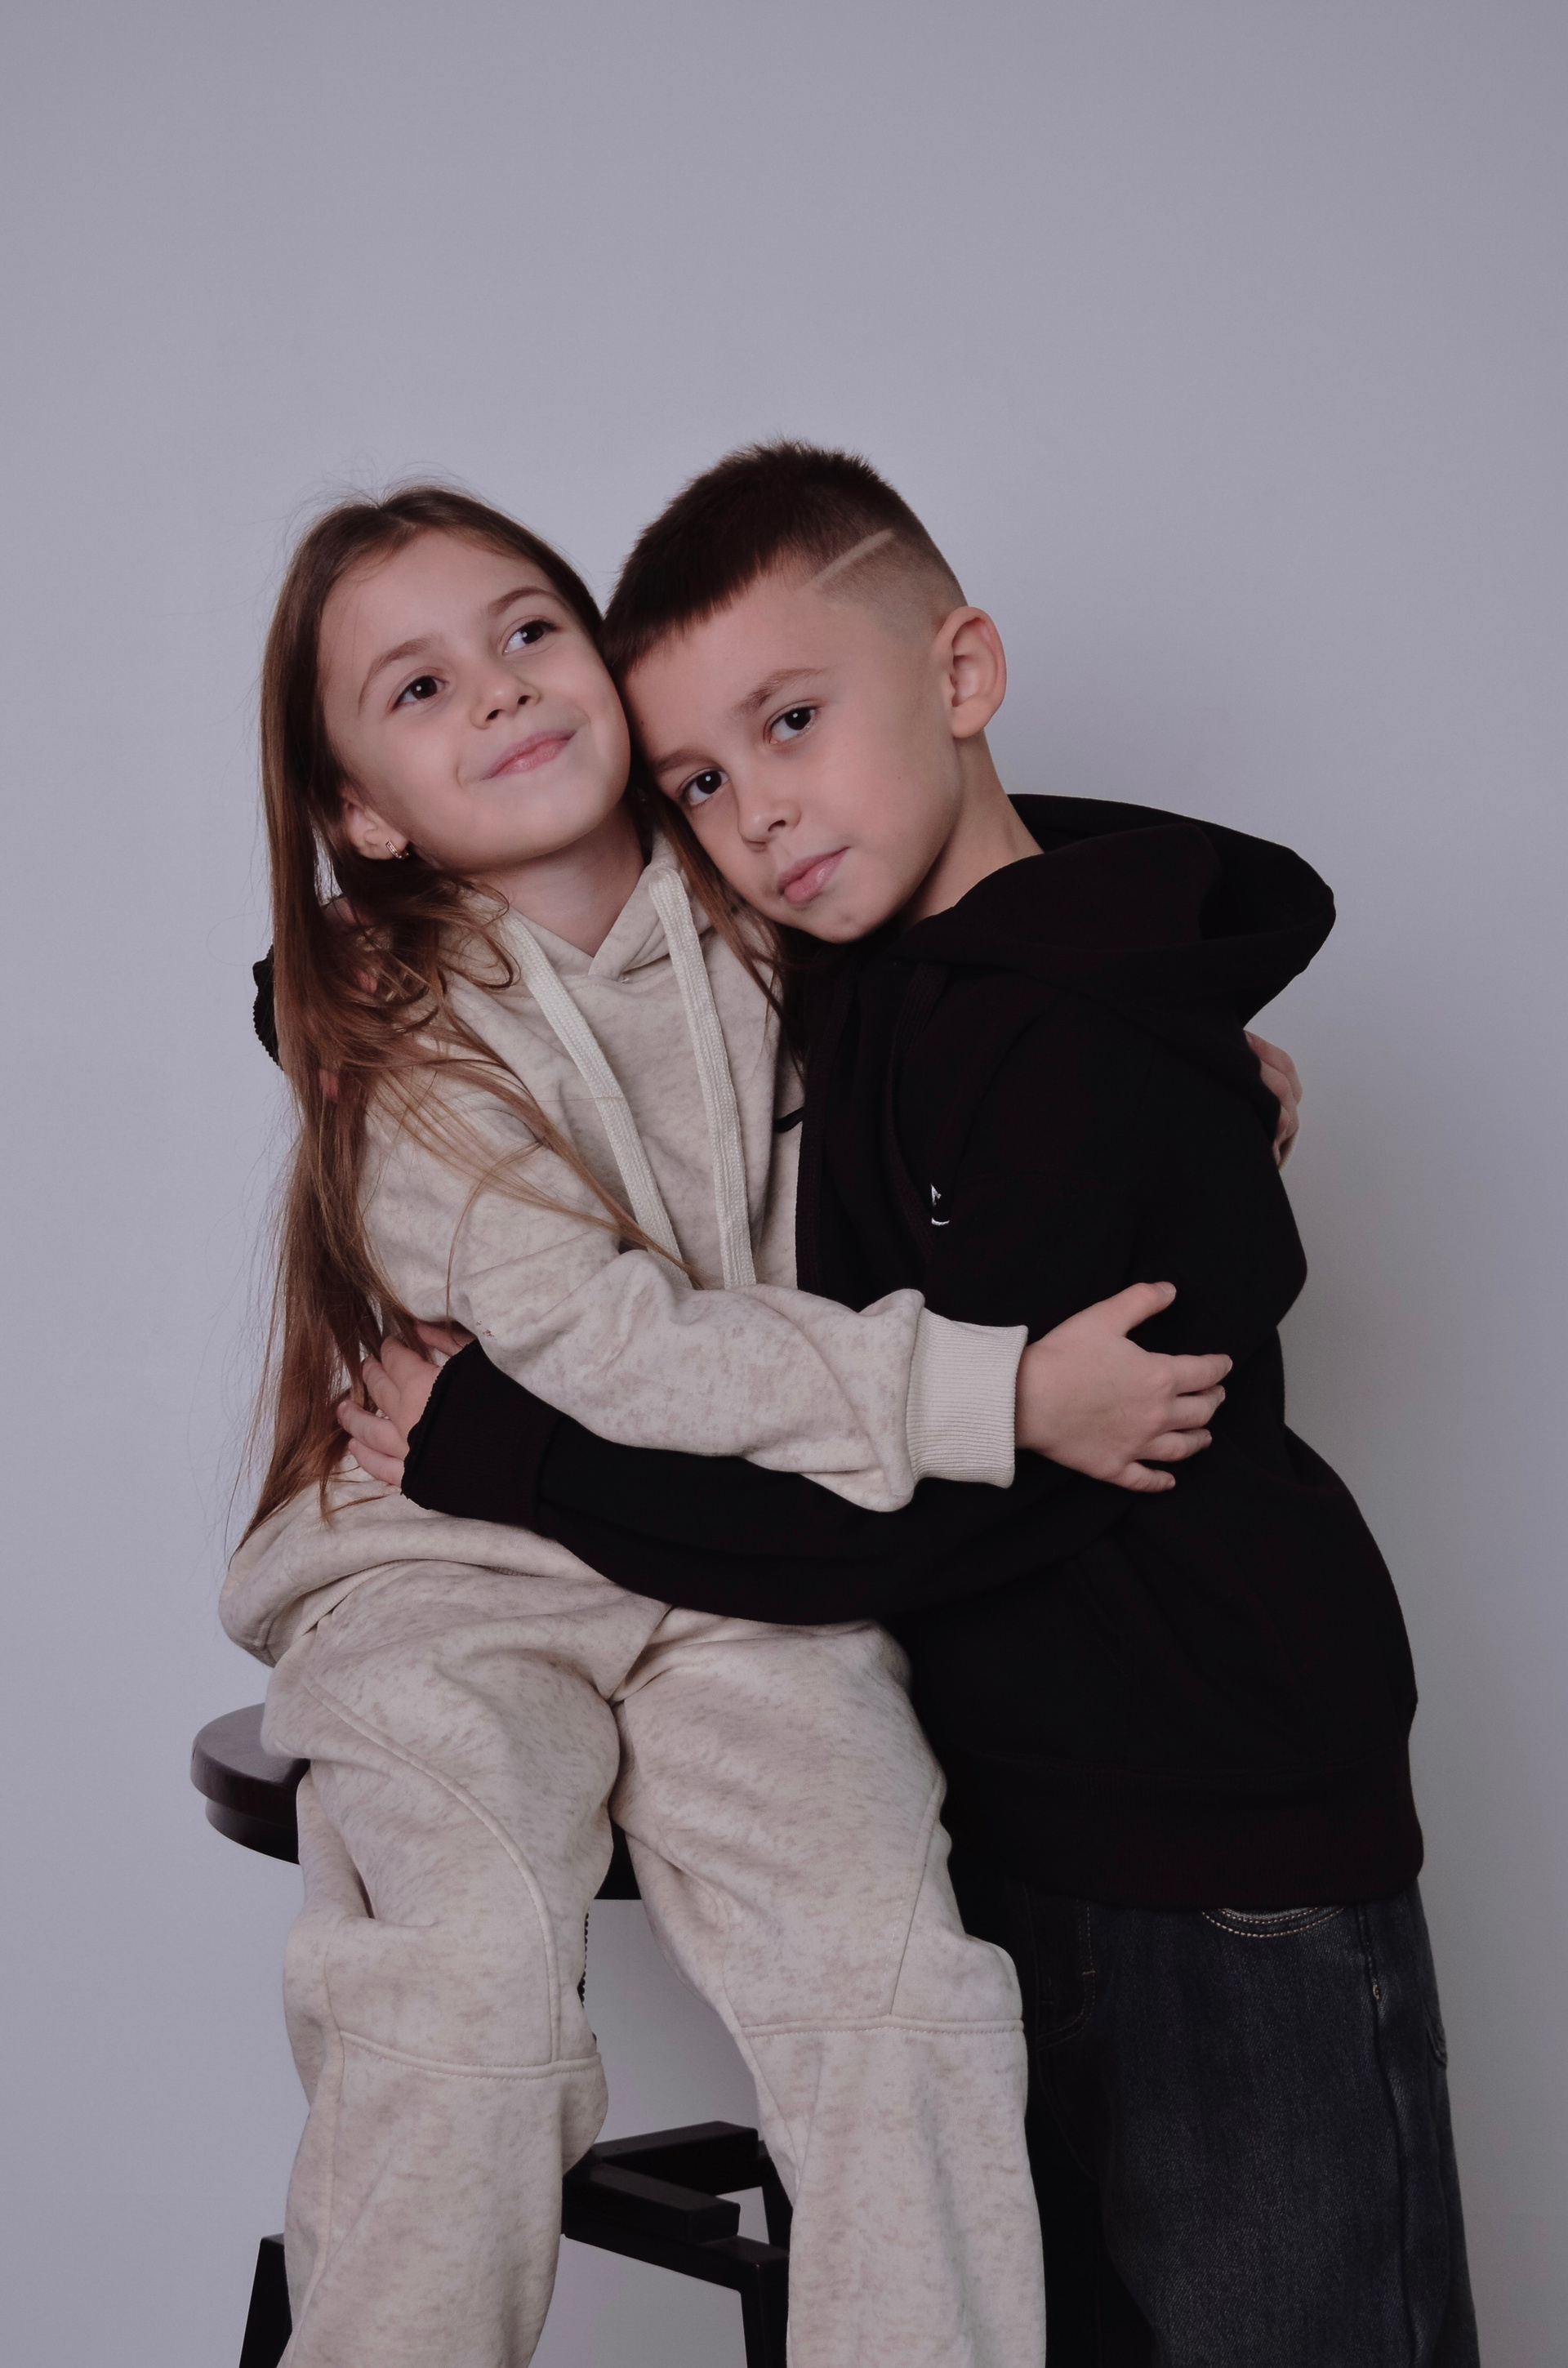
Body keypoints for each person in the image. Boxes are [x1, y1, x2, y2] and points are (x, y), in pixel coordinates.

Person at [362, 445, 1479, 2368]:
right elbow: (580, 981)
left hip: (1228, 1849)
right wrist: (326, 1003)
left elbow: (894, 1506)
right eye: (700, 781)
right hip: (1021, 1825)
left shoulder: (1087, 1051)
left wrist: (503, 1454)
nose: (761, 813)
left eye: (794, 722)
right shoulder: (863, 984)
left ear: (962, 673)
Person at [227, 482, 1241, 2368]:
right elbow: (622, 1348)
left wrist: (1173, 1047)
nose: (500, 689)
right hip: (454, 1566)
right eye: (419, 687)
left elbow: (973, 862)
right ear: (364, 811)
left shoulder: (780, 919)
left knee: (906, 1998)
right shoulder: (393, 1051)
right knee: (465, 1997)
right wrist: (998, 1391)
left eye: (531, 631)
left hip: (741, 1573)